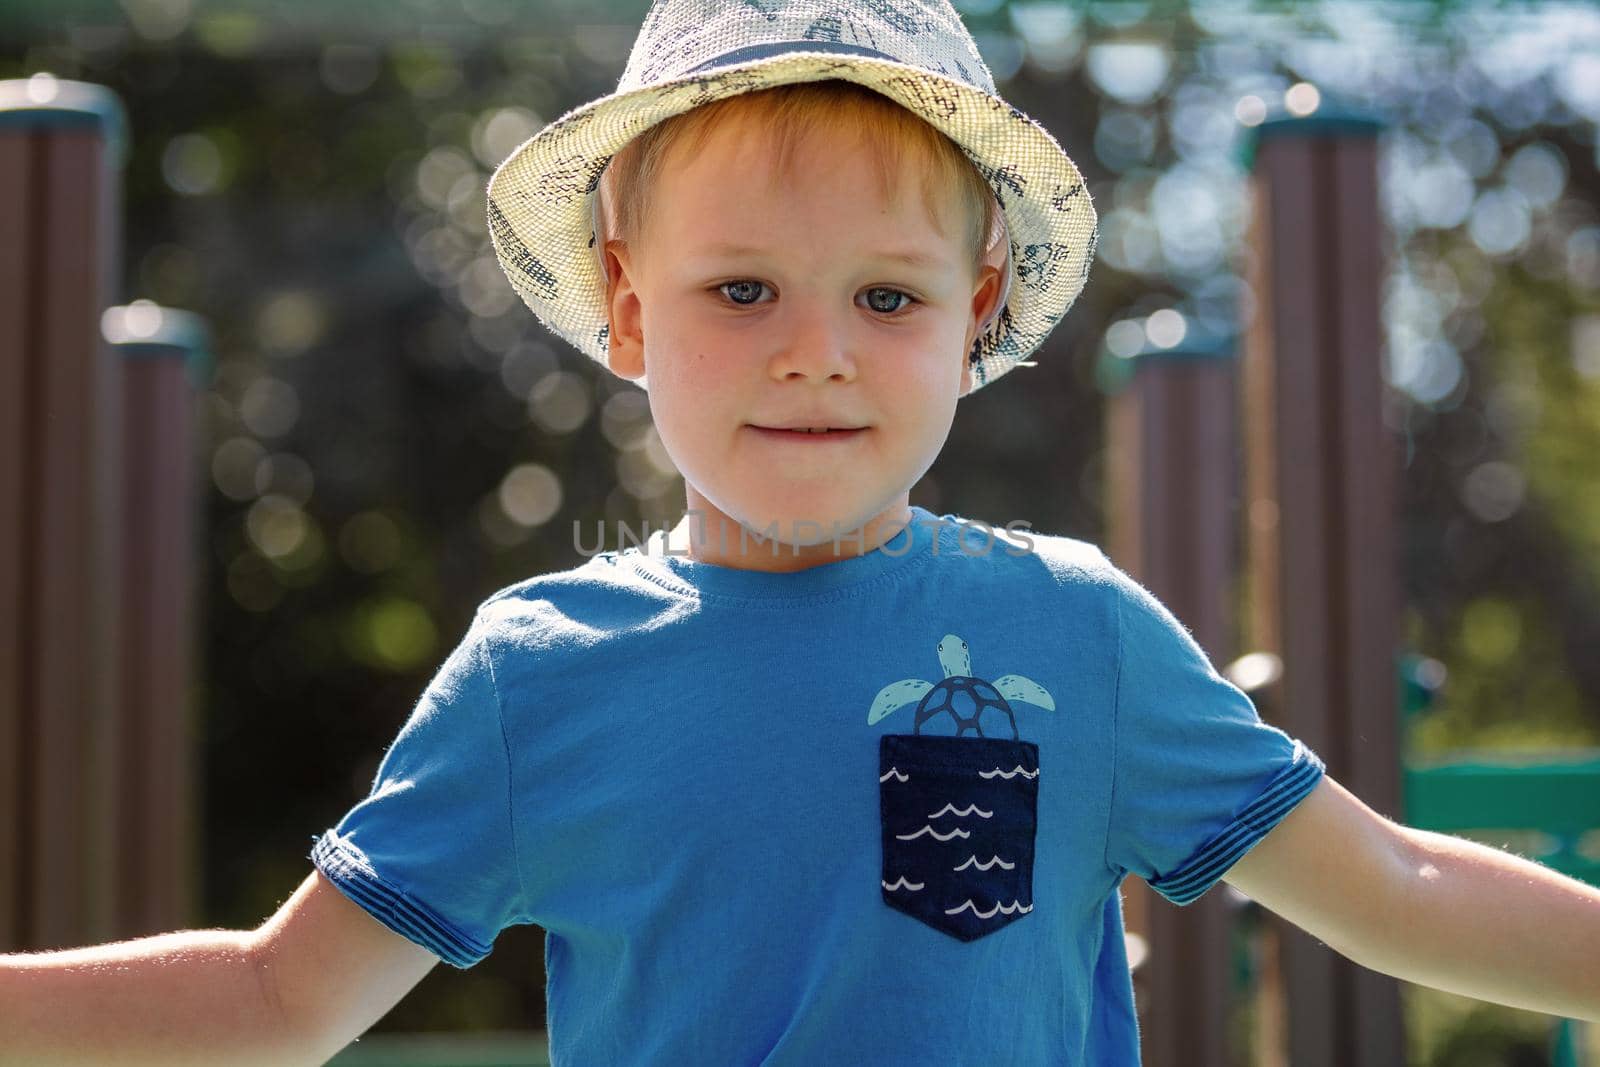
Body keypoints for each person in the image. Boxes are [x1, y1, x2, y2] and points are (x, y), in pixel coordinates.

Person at [5, 1, 1598, 1063]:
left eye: (887, 298)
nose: (816, 351)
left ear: (975, 317)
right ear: (631, 311)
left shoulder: (1078, 634)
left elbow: (1388, 882)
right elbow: (285, 998)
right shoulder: (538, 676)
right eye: (742, 289)